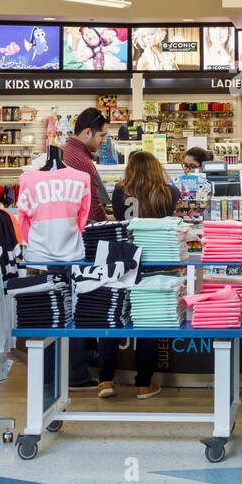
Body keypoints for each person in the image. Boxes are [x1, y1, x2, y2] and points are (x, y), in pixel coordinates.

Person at [99, 151, 178, 400]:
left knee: (112, 320)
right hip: (156, 262)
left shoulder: (120, 191)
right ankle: (144, 384)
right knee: (148, 322)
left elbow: (120, 220)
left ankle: (105, 381)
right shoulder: (170, 192)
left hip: (124, 259)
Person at [60, 107, 110, 389]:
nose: (103, 141)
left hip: (58, 245)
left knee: (65, 305)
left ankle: (67, 372)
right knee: (81, 305)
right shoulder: (83, 161)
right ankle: (77, 373)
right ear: (88, 132)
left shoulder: (64, 153)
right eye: (101, 135)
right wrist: (111, 226)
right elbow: (93, 209)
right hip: (80, 244)